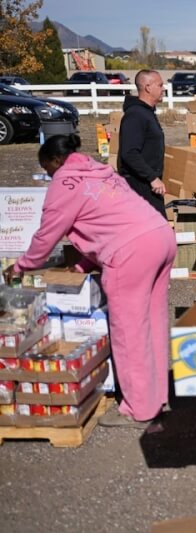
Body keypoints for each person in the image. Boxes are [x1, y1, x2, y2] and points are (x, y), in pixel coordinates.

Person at [5, 135, 176, 429]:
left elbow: (47, 235)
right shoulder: (100, 171)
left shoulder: (64, 183)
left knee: (129, 332)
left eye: (47, 170)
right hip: (160, 236)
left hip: (131, 252)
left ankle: (140, 408)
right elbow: (106, 220)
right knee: (153, 322)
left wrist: (21, 266)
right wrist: (84, 263)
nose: (49, 176)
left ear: (56, 162)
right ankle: (157, 395)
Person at [118, 69, 167, 218]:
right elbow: (129, 152)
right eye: (160, 85)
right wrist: (152, 178)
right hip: (140, 185)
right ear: (147, 87)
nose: (163, 89)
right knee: (156, 232)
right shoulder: (136, 115)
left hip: (149, 185)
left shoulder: (147, 113)